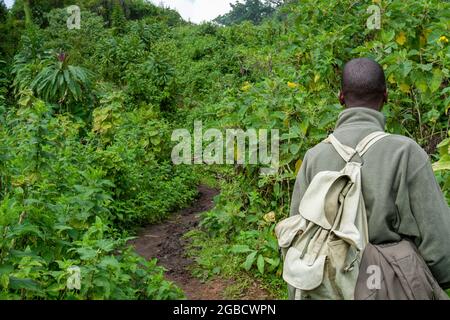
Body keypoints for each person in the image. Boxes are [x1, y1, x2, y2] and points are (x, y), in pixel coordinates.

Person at [289, 57, 450, 299]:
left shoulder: (314, 157)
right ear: (385, 96)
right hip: (390, 284)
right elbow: (439, 245)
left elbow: (298, 233)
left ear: (341, 97)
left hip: (329, 286)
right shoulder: (406, 152)